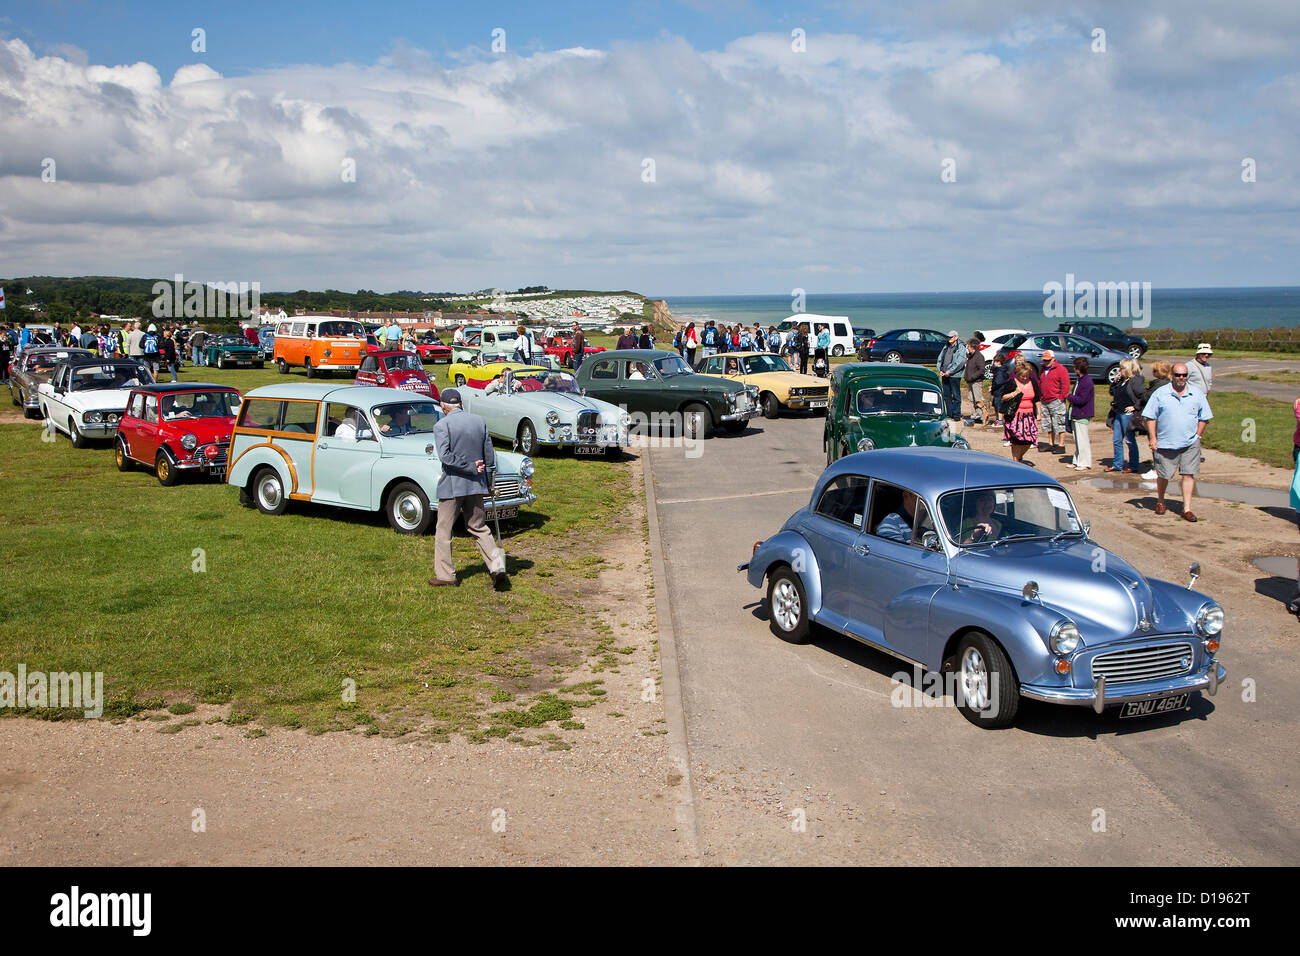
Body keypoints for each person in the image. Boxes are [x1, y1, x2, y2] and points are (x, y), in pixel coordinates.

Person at [430, 388, 508, 590]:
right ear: (461, 404)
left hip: (453, 486)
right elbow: (489, 455)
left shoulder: (441, 425)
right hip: (476, 484)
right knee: (479, 528)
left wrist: (469, 466)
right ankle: (498, 568)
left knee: (443, 530)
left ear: (443, 406)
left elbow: (445, 456)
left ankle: (446, 576)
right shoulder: (478, 422)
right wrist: (489, 481)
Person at [1143, 362, 1212, 521]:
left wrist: (1198, 435)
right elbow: (1150, 417)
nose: (1181, 378)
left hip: (1190, 443)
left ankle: (1186, 509)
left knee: (1188, 474)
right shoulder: (1161, 393)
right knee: (1163, 474)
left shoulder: (1196, 394)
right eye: (1178, 375)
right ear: (1172, 375)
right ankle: (1161, 501)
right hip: (1165, 442)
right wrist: (1153, 438)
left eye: (1184, 375)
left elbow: (1205, 417)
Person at [1106, 357, 1145, 473]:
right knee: (1117, 440)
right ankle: (1117, 464)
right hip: (1118, 412)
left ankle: (1133, 465)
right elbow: (1112, 392)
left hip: (1128, 415)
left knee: (1129, 440)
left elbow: (1144, 396)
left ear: (1128, 369)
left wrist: (1135, 407)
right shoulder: (1122, 381)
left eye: (1122, 368)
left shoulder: (1135, 381)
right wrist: (1115, 382)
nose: (1119, 370)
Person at [1002, 360, 1039, 462]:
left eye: (1026, 376)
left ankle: (1018, 457)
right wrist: (1015, 393)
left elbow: (1037, 399)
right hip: (1015, 415)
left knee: (1029, 439)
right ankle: (1016, 460)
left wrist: (1039, 414)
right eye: (1022, 376)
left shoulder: (1033, 382)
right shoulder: (1012, 382)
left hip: (1029, 415)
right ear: (1017, 374)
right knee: (1017, 440)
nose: (1024, 378)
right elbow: (1003, 397)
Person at [1037, 349, 1071, 454]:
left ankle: (1061, 445)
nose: (1046, 362)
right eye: (1044, 360)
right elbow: (1040, 382)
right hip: (1045, 400)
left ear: (1053, 359)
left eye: (1048, 360)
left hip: (1056, 400)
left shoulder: (1061, 369)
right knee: (1048, 423)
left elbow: (1066, 385)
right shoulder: (1042, 369)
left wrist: (1061, 397)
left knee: (1059, 423)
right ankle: (1051, 443)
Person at [1066, 357, 1095, 470]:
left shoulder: (1087, 381)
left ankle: (1084, 462)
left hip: (1082, 414)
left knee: (1082, 439)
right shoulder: (1080, 379)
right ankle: (1077, 460)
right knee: (1077, 439)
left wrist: (1069, 397)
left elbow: (1082, 399)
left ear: (1078, 368)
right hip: (1076, 414)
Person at [962, 338, 987, 425]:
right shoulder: (971, 356)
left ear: (973, 347)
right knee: (971, 399)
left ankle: (981, 416)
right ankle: (974, 415)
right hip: (970, 381)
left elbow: (981, 370)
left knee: (978, 400)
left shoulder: (979, 356)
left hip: (976, 381)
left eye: (968, 346)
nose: (967, 348)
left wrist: (972, 377)